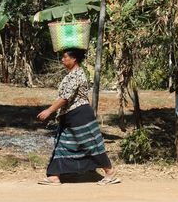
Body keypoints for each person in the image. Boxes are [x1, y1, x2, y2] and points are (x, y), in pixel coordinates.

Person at [37, 48, 120, 185]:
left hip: (80, 115)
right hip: (69, 116)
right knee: (62, 144)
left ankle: (110, 172)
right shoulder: (70, 75)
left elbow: (65, 98)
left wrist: (49, 110)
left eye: (65, 57)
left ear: (74, 59)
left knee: (90, 144)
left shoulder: (77, 75)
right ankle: (54, 176)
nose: (62, 60)